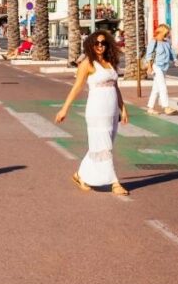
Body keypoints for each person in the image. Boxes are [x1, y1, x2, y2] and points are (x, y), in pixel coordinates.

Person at [55, 30, 130, 196]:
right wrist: (64, 109)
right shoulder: (87, 64)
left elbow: (116, 87)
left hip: (111, 109)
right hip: (97, 109)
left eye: (103, 43)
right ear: (90, 45)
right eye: (97, 43)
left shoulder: (110, 62)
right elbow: (77, 87)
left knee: (101, 146)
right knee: (105, 146)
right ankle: (114, 182)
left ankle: (80, 175)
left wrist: (123, 108)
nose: (100, 46)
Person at [145, 24, 178, 116]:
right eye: (167, 32)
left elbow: (172, 54)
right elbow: (149, 55)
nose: (168, 34)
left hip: (164, 67)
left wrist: (176, 61)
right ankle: (166, 107)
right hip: (156, 66)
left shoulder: (167, 42)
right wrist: (149, 67)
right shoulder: (154, 41)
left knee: (156, 88)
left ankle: (150, 107)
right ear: (162, 32)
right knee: (162, 86)